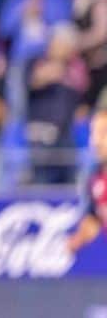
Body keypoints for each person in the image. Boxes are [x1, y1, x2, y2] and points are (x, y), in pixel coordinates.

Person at [68, 93, 107, 253]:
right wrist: (78, 239)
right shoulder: (93, 177)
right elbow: (94, 219)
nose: (95, 141)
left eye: (103, 133)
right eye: (93, 133)